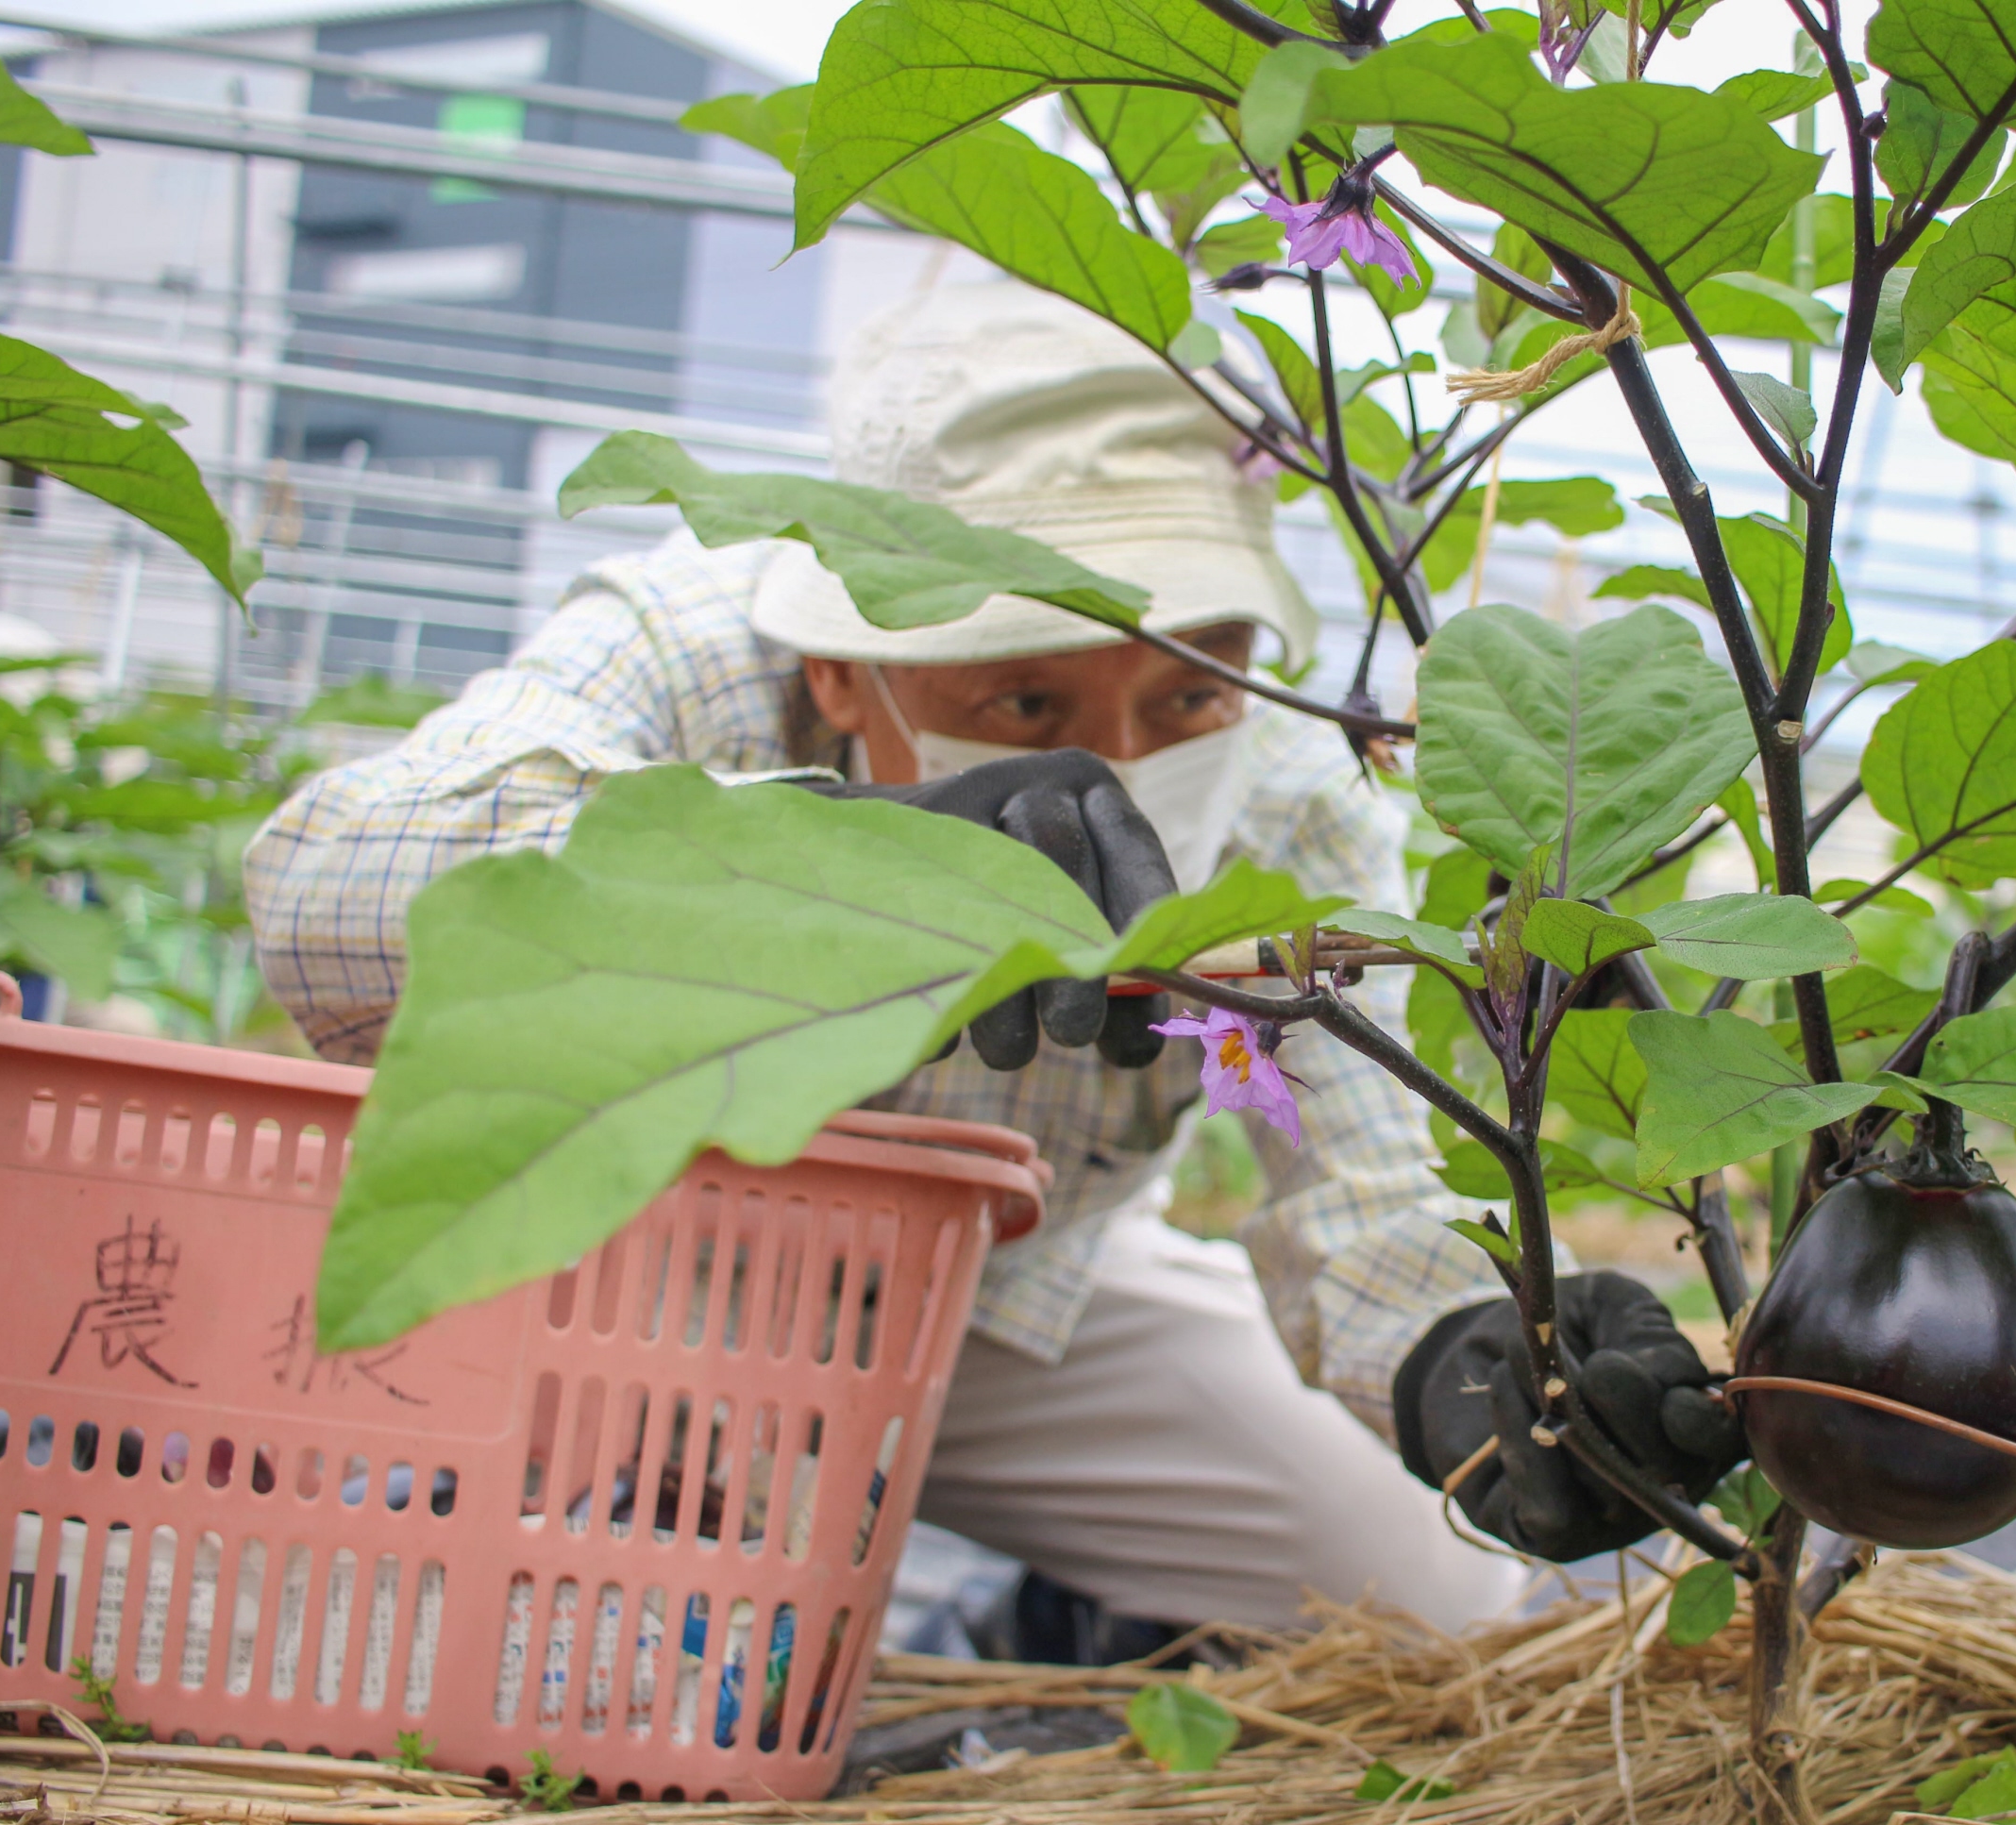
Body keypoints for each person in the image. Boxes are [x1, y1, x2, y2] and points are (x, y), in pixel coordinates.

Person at [244, 279, 1738, 1665]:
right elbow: (325, 891)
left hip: (1004, 1298)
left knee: (1428, 1594)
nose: (1127, 760)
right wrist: (835, 862)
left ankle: (1054, 1636)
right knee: (563, 1659)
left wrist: (1467, 1364)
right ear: (845, 672)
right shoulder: (702, 649)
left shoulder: (1282, 797)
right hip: (631, 1276)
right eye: (1026, 698)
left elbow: (1353, 1178)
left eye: (1187, 690)